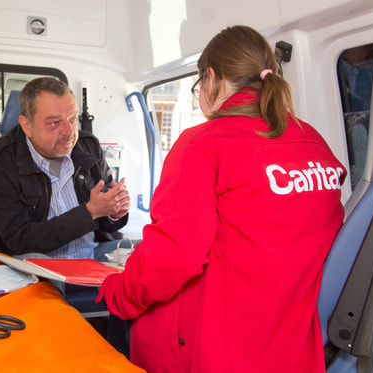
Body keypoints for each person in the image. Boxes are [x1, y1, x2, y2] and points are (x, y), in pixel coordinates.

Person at [97, 25, 347, 373]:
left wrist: (119, 292)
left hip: (216, 351)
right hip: (292, 347)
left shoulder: (203, 144)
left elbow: (174, 256)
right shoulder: (313, 141)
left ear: (211, 78)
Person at [0, 76, 131, 262]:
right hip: (39, 262)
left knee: (148, 250)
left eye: (73, 119)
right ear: (26, 125)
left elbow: (107, 225)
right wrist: (89, 212)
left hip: (91, 255)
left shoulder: (89, 145)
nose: (69, 132)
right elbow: (20, 239)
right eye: (54, 123)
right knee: (39, 267)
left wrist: (114, 212)